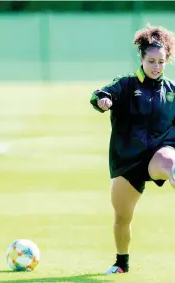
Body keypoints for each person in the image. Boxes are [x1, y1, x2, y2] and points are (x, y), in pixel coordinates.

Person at [90, 24, 175, 274]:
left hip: (159, 153)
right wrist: (102, 101)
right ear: (141, 58)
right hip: (127, 160)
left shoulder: (172, 90)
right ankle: (121, 264)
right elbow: (100, 94)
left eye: (161, 61)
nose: (156, 66)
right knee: (122, 218)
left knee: (169, 161)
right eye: (151, 61)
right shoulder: (126, 85)